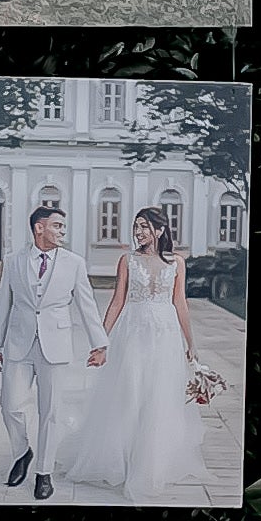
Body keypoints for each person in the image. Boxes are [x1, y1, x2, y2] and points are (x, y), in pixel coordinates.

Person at [58, 208, 209, 502]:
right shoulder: (127, 261)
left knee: (158, 399)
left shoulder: (176, 262)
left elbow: (180, 302)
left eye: (144, 226)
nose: (138, 232)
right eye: (136, 226)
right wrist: (100, 342)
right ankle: (122, 461)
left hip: (165, 336)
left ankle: (150, 465)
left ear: (160, 230)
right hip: (133, 335)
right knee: (130, 394)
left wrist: (191, 342)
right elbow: (117, 302)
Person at [0, 203, 108, 501]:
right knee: (10, 404)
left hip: (56, 343)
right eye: (57, 226)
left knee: (50, 411)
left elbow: (86, 304)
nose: (62, 232)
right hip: (18, 342)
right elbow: (4, 303)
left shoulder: (74, 263)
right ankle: (23, 452)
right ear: (39, 227)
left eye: (63, 227)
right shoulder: (14, 261)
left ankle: (44, 471)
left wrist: (99, 343)